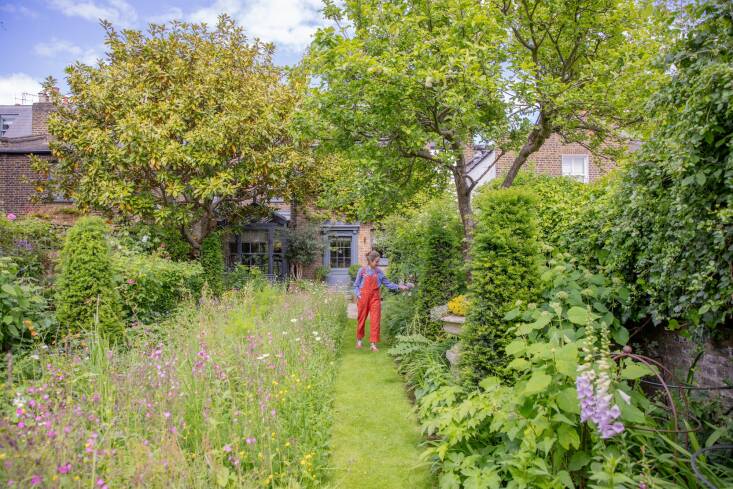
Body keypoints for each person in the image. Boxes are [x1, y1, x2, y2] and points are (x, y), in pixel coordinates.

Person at [353, 250, 408, 352]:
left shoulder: (379, 272)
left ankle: (373, 344)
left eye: (379, 261)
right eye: (377, 261)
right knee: (361, 319)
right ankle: (359, 340)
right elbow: (356, 285)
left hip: (375, 298)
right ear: (371, 260)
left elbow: (388, 284)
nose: (378, 264)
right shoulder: (362, 271)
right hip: (363, 297)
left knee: (375, 320)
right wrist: (359, 295)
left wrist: (399, 287)